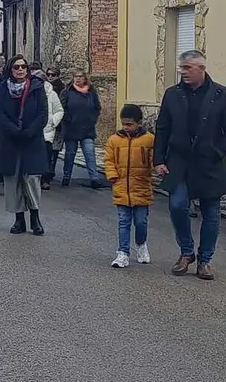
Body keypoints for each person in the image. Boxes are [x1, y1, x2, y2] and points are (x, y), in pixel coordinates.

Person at [154, 50, 226, 280]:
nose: (182, 72)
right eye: (181, 67)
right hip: (179, 160)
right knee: (177, 205)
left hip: (209, 162)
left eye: (188, 68)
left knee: (211, 212)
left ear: (201, 69)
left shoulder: (221, 94)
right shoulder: (172, 94)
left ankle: (205, 260)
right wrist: (158, 160)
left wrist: (218, 151)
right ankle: (186, 252)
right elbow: (162, 127)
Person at [0, 55, 48, 235]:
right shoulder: (3, 89)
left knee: (31, 179)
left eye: (23, 67)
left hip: (31, 140)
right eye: (16, 67)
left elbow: (42, 114)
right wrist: (13, 131)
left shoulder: (36, 88)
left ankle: (35, 217)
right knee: (13, 179)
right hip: (11, 141)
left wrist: (30, 131)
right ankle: (19, 219)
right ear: (10, 69)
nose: (20, 70)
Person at [104, 104, 154, 268]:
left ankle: (141, 244)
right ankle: (123, 252)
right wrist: (112, 175)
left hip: (141, 187)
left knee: (141, 222)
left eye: (129, 124)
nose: (126, 127)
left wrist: (157, 168)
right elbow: (109, 160)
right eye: (123, 123)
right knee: (123, 221)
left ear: (139, 123)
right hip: (121, 187)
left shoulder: (149, 140)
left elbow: (155, 159)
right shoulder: (114, 140)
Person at [60, 70, 105, 188]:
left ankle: (94, 178)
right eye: (76, 76)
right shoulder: (67, 92)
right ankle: (66, 176)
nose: (78, 79)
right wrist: (68, 118)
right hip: (71, 128)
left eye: (80, 76)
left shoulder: (91, 92)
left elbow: (97, 108)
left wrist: (92, 119)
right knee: (70, 154)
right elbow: (61, 108)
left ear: (85, 78)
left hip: (87, 128)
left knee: (90, 153)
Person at [33, 69, 64, 190]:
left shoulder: (51, 94)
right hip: (33, 130)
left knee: (46, 156)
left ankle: (45, 179)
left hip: (47, 131)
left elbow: (59, 110)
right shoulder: (30, 92)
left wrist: (53, 122)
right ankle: (34, 178)